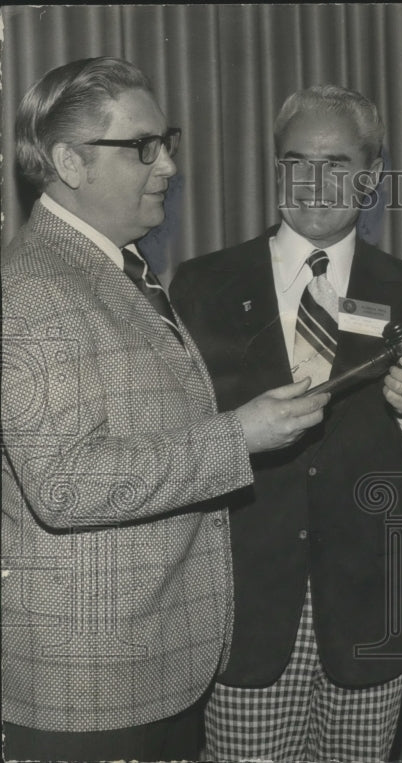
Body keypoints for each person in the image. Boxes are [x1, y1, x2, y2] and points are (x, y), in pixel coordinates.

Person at [1, 56, 328, 761]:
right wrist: (239, 435)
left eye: (168, 140)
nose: (169, 165)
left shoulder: (120, 267)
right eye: (143, 146)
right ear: (69, 162)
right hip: (89, 682)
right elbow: (64, 482)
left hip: (149, 665)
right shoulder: (35, 289)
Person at [170, 84, 402, 763]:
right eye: (296, 161)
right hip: (242, 611)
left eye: (337, 163)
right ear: (277, 167)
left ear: (372, 176)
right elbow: (180, 446)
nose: (314, 182)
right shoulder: (203, 283)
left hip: (367, 612)